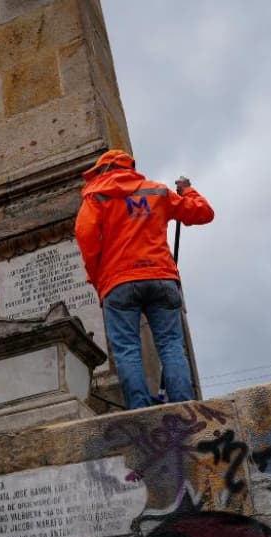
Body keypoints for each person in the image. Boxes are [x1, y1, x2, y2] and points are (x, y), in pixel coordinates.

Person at [74, 149, 214, 409]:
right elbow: (203, 213)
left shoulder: (95, 196)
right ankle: (185, 406)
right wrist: (188, 191)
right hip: (161, 276)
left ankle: (139, 410)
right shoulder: (156, 192)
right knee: (171, 344)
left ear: (102, 170)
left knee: (127, 349)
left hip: (118, 282)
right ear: (130, 167)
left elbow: (86, 239)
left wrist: (98, 280)